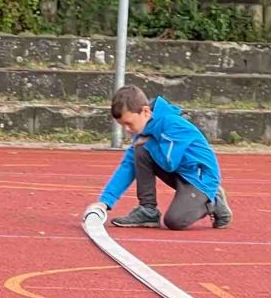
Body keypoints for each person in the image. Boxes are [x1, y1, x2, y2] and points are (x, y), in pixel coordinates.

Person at [96, 86, 232, 229]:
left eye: (129, 124)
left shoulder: (172, 124)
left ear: (145, 111)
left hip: (200, 179)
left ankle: (213, 201)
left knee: (174, 221)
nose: (127, 130)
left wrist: (149, 143)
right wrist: (105, 202)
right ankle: (148, 211)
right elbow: (128, 166)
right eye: (123, 125)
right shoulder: (144, 129)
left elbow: (169, 163)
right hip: (182, 173)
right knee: (140, 151)